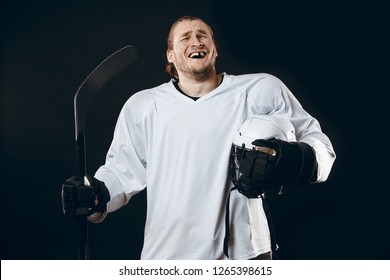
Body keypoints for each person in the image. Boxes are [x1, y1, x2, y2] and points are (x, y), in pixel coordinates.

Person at [62, 15, 336, 260]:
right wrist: (95, 194)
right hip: (167, 258)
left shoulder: (261, 89)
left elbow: (320, 145)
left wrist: (295, 159)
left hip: (245, 256)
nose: (196, 40)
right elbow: (122, 171)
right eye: (185, 36)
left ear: (214, 50)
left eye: (203, 35)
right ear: (170, 55)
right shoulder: (143, 105)